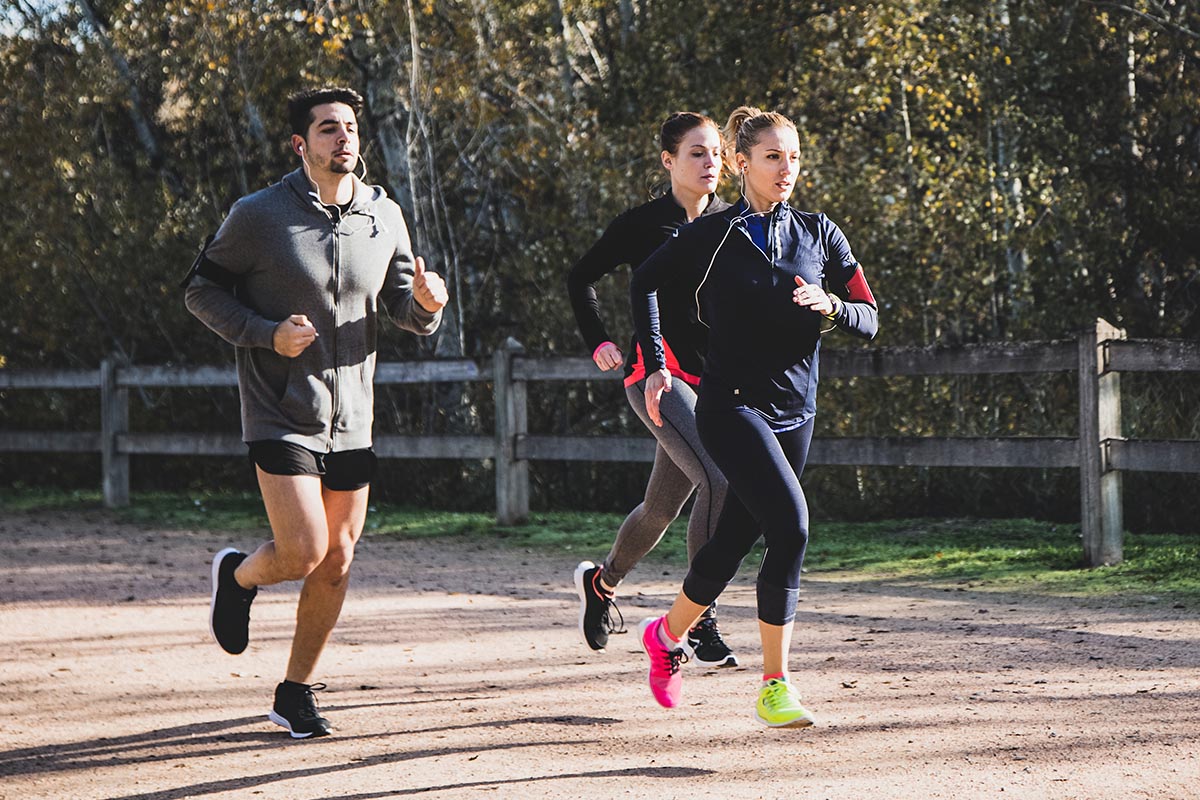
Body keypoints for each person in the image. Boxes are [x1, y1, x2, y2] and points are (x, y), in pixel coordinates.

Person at [184, 86, 447, 738]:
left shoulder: (385, 216)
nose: (344, 139)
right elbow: (200, 290)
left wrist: (430, 305)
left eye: (351, 127)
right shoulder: (258, 216)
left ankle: (295, 690)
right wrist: (265, 333)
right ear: (301, 144)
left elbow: (403, 311)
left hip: (353, 415)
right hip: (280, 407)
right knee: (303, 549)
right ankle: (239, 577)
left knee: (338, 558)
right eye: (329, 129)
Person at [629, 106, 879, 727]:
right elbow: (645, 281)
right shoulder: (713, 234)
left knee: (733, 541)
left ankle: (665, 634)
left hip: (797, 412)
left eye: (794, 157)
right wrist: (657, 357)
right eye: (773, 157)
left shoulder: (823, 234)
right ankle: (776, 684)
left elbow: (870, 316)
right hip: (731, 405)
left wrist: (832, 307)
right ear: (742, 164)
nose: (786, 169)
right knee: (791, 525)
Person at [566, 113, 738, 666]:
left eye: (715, 153)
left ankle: (602, 581)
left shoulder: (734, 222)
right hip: (654, 378)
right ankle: (701, 616)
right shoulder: (642, 224)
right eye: (696, 153)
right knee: (717, 477)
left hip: (710, 382)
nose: (710, 163)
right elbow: (580, 277)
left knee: (661, 508)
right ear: (669, 161)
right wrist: (599, 341)